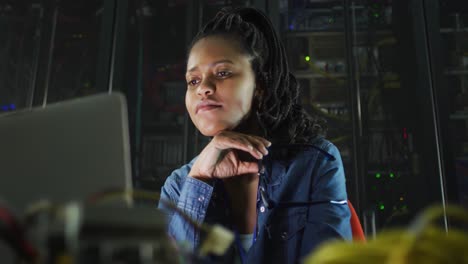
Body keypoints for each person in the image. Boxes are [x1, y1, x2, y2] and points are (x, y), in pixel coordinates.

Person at [158, 7, 352, 263]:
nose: (203, 88)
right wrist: (200, 180)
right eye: (192, 80)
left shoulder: (314, 164)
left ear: (259, 85)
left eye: (223, 73)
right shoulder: (179, 186)